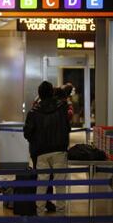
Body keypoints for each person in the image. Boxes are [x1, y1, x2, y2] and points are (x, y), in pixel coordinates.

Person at [23, 81, 71, 216]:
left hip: (41, 152)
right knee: (60, 185)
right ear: (52, 93)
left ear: (39, 95)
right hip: (59, 151)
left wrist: (36, 142)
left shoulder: (33, 112)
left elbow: (27, 133)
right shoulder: (62, 108)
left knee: (41, 185)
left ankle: (40, 214)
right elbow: (67, 128)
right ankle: (61, 215)